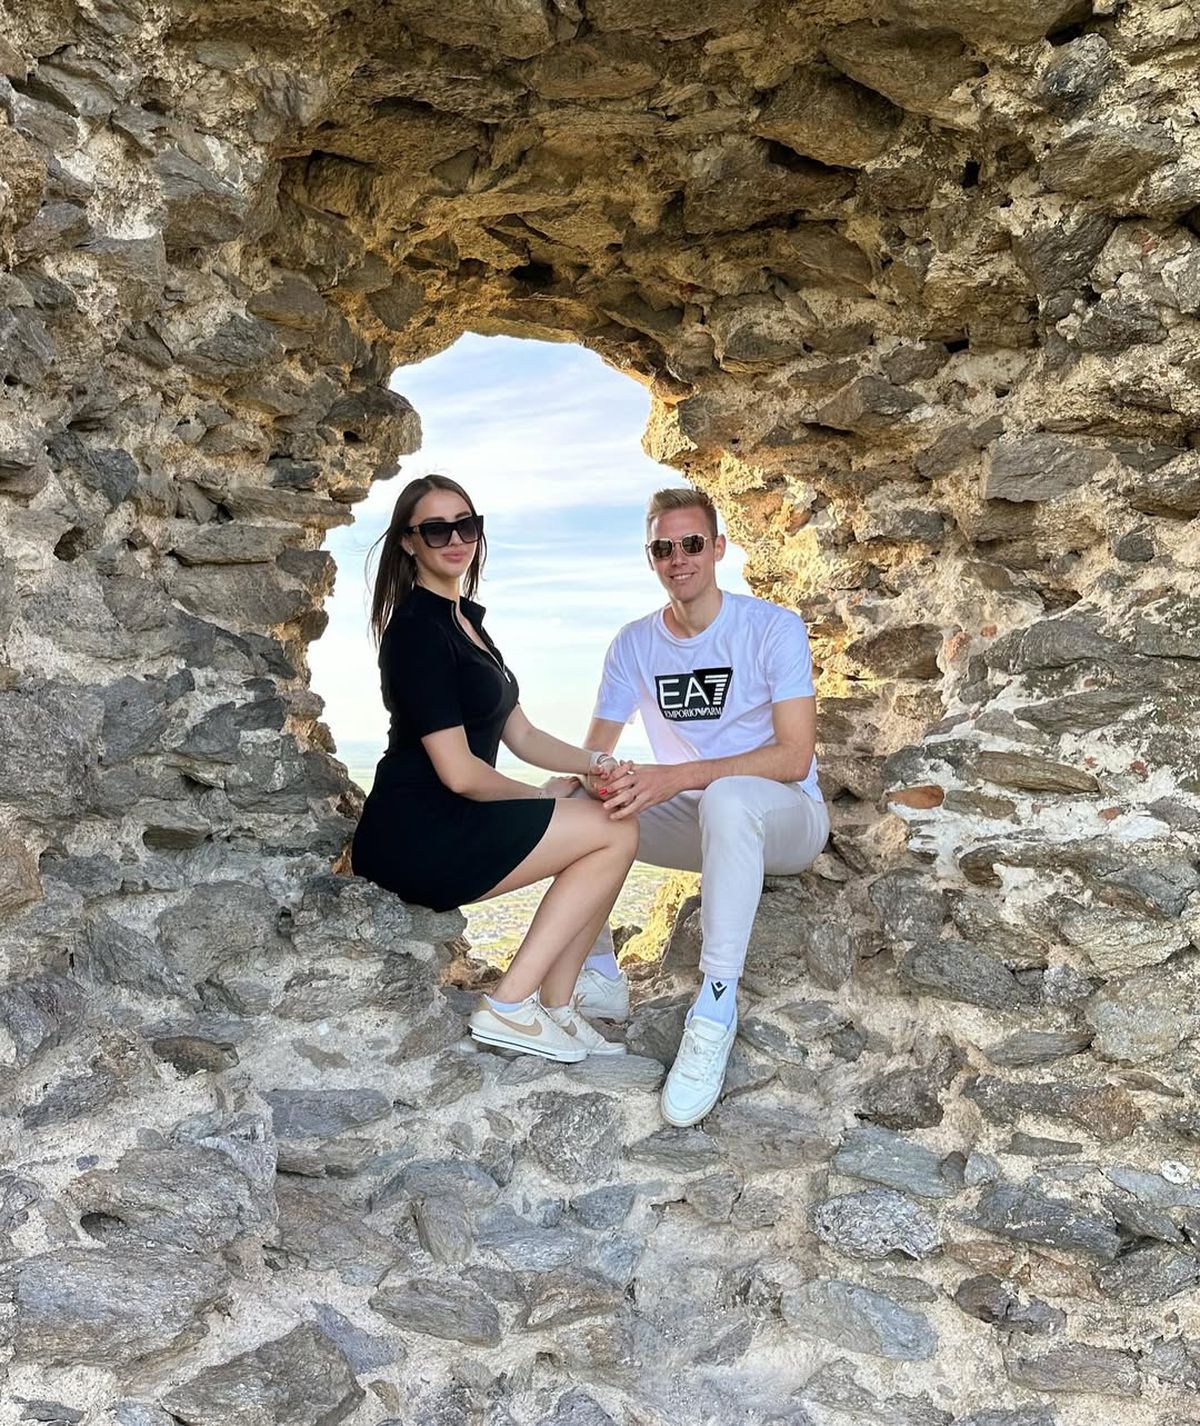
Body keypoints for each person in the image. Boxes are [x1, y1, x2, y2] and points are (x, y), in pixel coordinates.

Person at [351, 474, 639, 1065]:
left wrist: (595, 764)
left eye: (467, 525)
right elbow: (459, 773)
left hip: (456, 816)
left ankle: (556, 1007)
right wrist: (541, 799)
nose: (456, 539)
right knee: (613, 831)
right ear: (408, 542)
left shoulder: (467, 624)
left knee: (608, 813)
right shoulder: (416, 631)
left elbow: (522, 734)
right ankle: (509, 1004)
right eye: (436, 529)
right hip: (417, 833)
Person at [575, 486, 830, 1126]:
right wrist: (591, 777)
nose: (678, 558)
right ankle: (599, 970)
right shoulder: (634, 644)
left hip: (784, 818)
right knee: (578, 803)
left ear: (717, 548)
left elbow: (794, 756)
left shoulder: (770, 628)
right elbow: (595, 751)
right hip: (700, 820)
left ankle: (714, 1010)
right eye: (663, 548)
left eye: (691, 543)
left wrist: (677, 776)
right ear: (651, 557)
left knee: (727, 796)